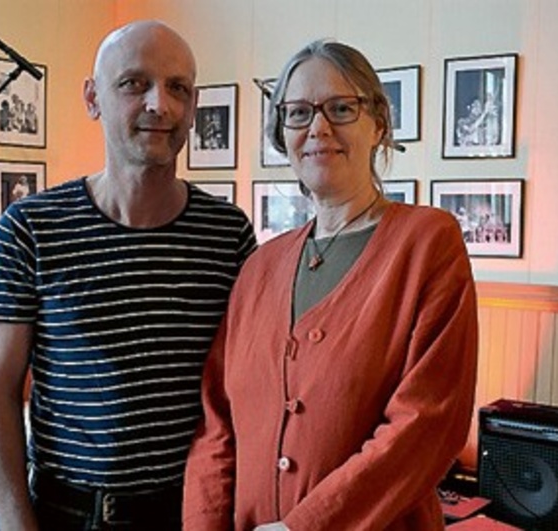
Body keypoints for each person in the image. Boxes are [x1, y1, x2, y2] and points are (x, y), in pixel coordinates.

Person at [183, 39, 479, 530]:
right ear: (283, 133)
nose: (318, 128)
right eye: (298, 113)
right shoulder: (259, 267)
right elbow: (218, 426)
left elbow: (427, 423)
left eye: (341, 108)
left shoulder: (428, 242)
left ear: (379, 123)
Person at [0, 20, 257, 531]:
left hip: (195, 509)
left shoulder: (228, 234)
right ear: (92, 98)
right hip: (71, 513)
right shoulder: (30, 228)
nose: (160, 104)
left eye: (178, 88)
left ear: (193, 107)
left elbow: (244, 388)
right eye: (134, 83)